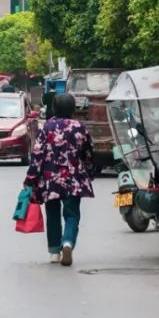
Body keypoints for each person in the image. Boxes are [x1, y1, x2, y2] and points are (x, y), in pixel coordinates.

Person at [23, 93, 94, 266]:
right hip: (73, 179)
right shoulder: (80, 127)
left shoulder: (47, 127)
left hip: (51, 179)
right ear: (73, 108)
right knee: (72, 214)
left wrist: (30, 178)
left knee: (52, 214)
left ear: (54, 108)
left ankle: (54, 252)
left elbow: (37, 154)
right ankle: (68, 242)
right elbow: (88, 154)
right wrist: (89, 172)